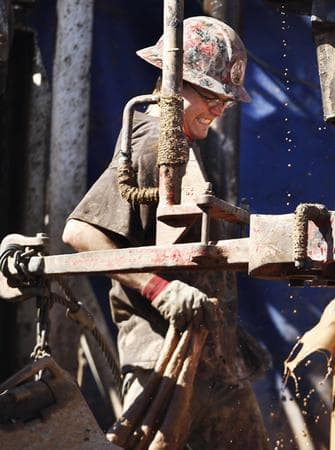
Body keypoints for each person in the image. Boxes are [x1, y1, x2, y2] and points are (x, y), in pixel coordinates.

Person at [62, 16, 268, 449]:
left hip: (209, 353)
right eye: (211, 94)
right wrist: (158, 289)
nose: (218, 108)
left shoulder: (183, 145)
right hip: (164, 350)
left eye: (225, 100)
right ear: (177, 83)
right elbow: (79, 232)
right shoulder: (155, 137)